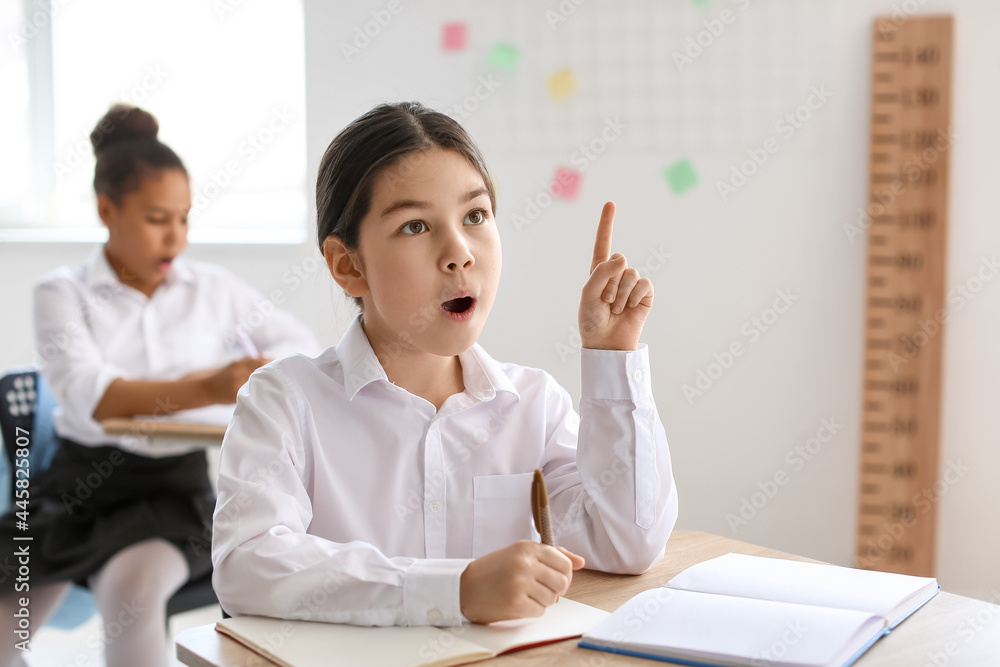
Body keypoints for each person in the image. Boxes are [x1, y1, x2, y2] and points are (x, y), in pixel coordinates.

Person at [211, 101, 678, 627]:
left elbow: (628, 543)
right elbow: (246, 565)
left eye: (475, 216)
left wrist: (612, 357)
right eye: (415, 226)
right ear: (348, 266)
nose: (459, 253)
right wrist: (454, 590)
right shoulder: (284, 400)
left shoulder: (533, 405)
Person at [0, 104, 319, 666]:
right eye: (156, 219)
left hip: (171, 493)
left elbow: (304, 345)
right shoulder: (61, 292)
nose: (175, 236)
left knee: (133, 594)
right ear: (107, 209)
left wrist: (254, 377)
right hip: (73, 491)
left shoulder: (213, 289)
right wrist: (212, 385)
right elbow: (93, 397)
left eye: (184, 218)